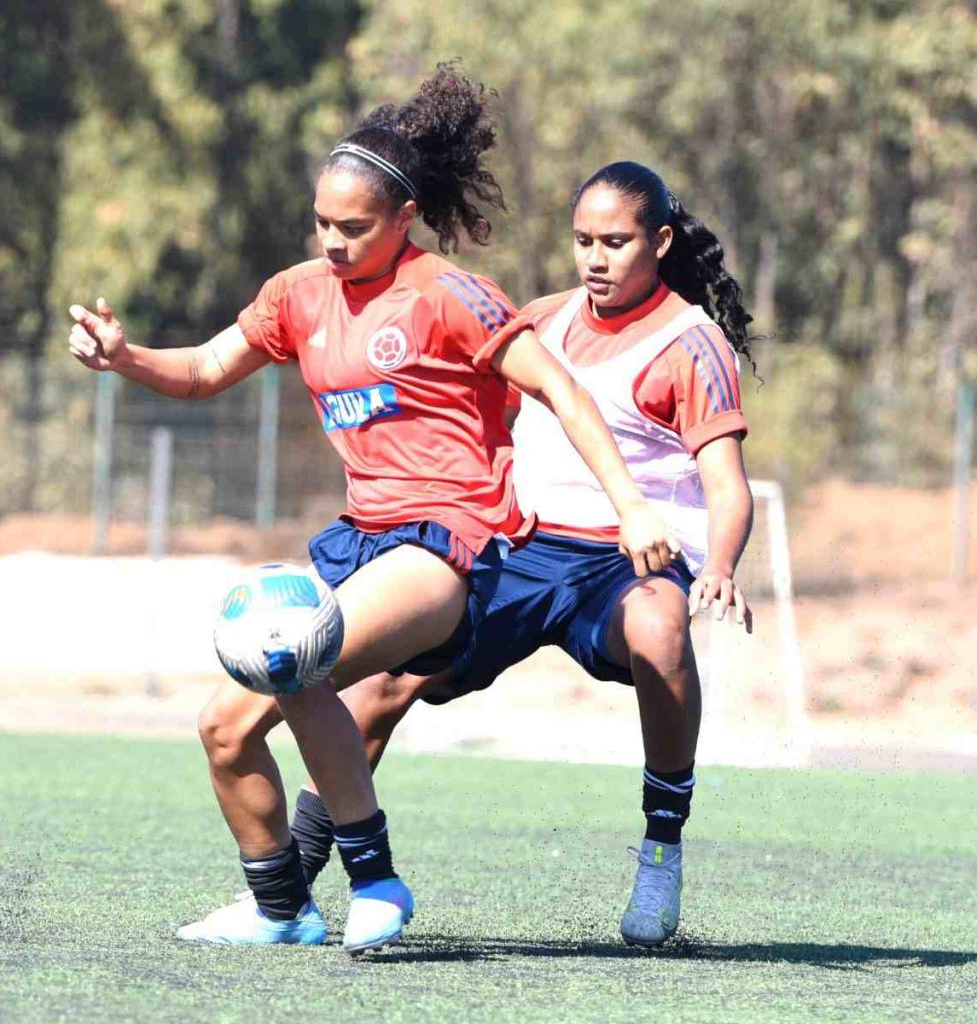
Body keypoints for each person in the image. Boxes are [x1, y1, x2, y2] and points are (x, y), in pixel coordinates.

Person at [68, 72, 676, 953]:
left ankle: (375, 877)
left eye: (354, 228)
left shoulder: (449, 296)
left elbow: (564, 392)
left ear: (405, 217)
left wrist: (631, 506)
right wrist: (125, 358)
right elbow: (203, 370)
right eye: (322, 223)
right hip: (360, 539)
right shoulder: (298, 294)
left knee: (295, 656)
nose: (334, 243)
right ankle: (280, 904)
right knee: (224, 727)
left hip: (451, 544)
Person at [285, 160, 756, 948]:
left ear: (661, 241)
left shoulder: (693, 344)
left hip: (623, 562)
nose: (595, 259)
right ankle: (292, 881)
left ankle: (662, 846)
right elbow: (469, 417)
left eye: (616, 241)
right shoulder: (541, 317)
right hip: (517, 547)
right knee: (381, 686)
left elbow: (728, 486)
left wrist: (719, 565)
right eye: (583, 241)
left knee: (662, 630)